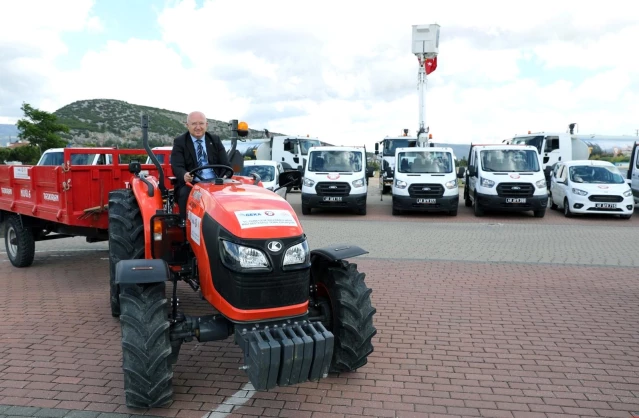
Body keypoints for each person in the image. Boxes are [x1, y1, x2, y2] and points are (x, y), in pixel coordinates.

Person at [171, 111, 231, 220]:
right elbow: (177, 166)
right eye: (194, 124)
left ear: (206, 125)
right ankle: (185, 224)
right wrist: (184, 175)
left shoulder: (215, 140)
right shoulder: (180, 142)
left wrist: (224, 177)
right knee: (184, 194)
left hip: (216, 182)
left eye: (201, 124)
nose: (198, 127)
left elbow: (225, 164)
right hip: (193, 183)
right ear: (187, 125)